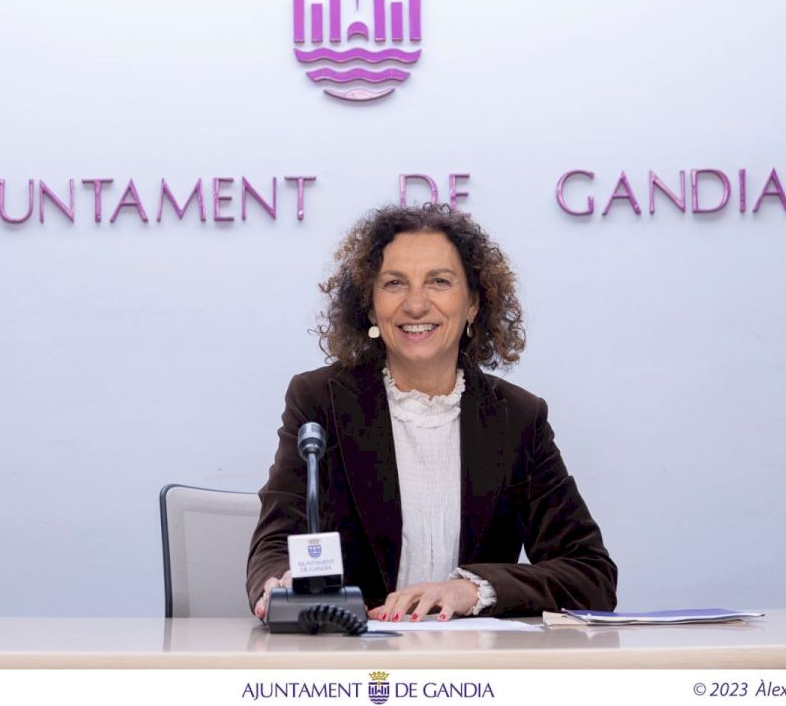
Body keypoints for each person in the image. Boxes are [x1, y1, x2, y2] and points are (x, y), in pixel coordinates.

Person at [247, 204, 616, 621]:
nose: (416, 304)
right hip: (353, 651)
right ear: (370, 307)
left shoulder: (517, 418)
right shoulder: (319, 401)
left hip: (475, 658)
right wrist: (279, 582)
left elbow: (591, 574)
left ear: (473, 303)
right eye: (394, 283)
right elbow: (275, 543)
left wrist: (473, 590)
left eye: (439, 281)